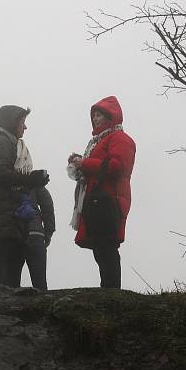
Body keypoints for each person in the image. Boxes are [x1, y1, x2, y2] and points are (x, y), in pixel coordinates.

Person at [68, 96, 136, 289]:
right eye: (94, 115)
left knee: (107, 246)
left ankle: (111, 290)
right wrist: (80, 162)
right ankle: (108, 288)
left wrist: (86, 164)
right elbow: (103, 164)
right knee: (101, 246)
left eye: (99, 115)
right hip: (99, 200)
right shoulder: (100, 140)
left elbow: (118, 165)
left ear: (110, 116)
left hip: (110, 200)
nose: (95, 119)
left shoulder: (120, 138)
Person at [0, 105, 50, 286]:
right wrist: (30, 179)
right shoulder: (2, 142)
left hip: (6, 216)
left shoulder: (8, 142)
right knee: (3, 271)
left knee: (6, 269)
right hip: (2, 216)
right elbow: (1, 173)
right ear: (12, 122)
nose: (25, 127)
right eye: (22, 122)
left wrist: (31, 180)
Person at [17, 186, 55, 290]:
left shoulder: (7, 181)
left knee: (12, 283)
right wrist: (48, 232)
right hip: (36, 234)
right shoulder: (35, 183)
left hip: (14, 235)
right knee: (40, 281)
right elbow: (48, 208)